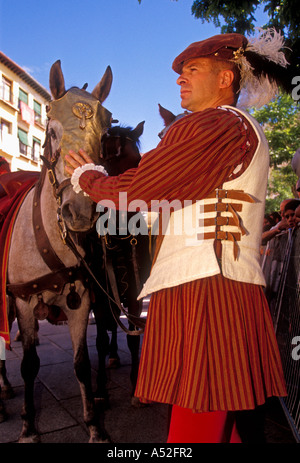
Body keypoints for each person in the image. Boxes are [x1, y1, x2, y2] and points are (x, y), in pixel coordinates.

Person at [65, 29, 289, 443]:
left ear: (225, 79)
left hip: (205, 284)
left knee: (196, 416)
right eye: (180, 72)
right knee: (228, 410)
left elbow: (145, 186)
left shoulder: (215, 123)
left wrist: (88, 178)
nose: (179, 80)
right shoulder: (236, 127)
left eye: (192, 70)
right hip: (220, 279)